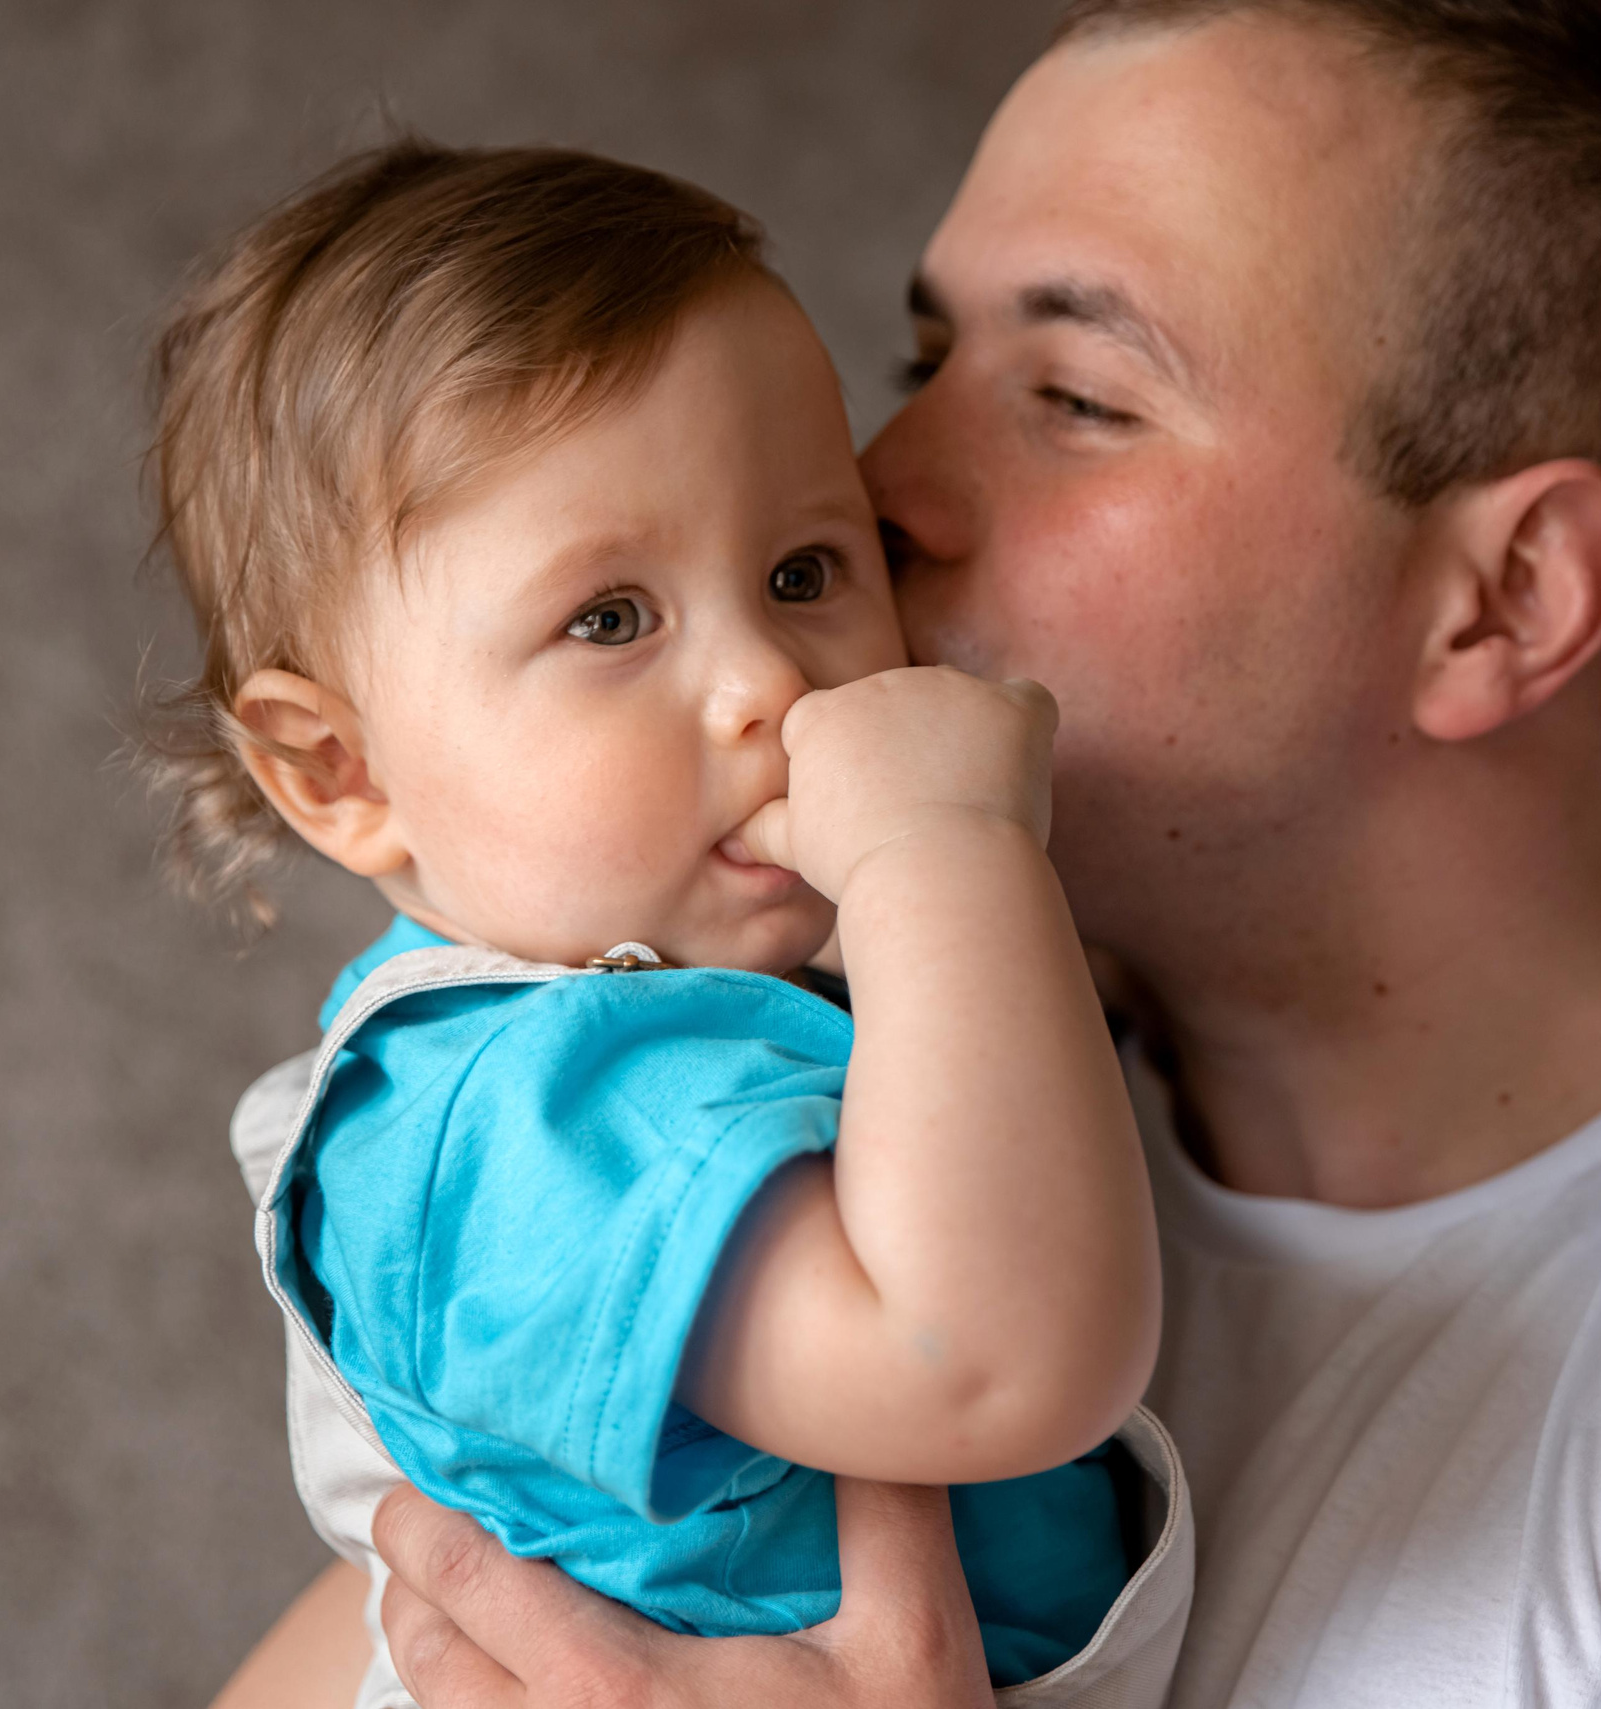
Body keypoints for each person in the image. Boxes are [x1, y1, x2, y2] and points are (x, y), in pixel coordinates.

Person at [215, 3, 1601, 1706]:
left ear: (1499, 604)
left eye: (1075, 397)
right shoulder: (789, 1107)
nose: (881, 490)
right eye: (922, 364)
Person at [146, 144, 1199, 1708]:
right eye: (611, 619)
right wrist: (946, 853)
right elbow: (990, 1359)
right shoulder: (515, 1115)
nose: (771, 681)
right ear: (341, 770)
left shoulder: (726, 992)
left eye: (802, 568)